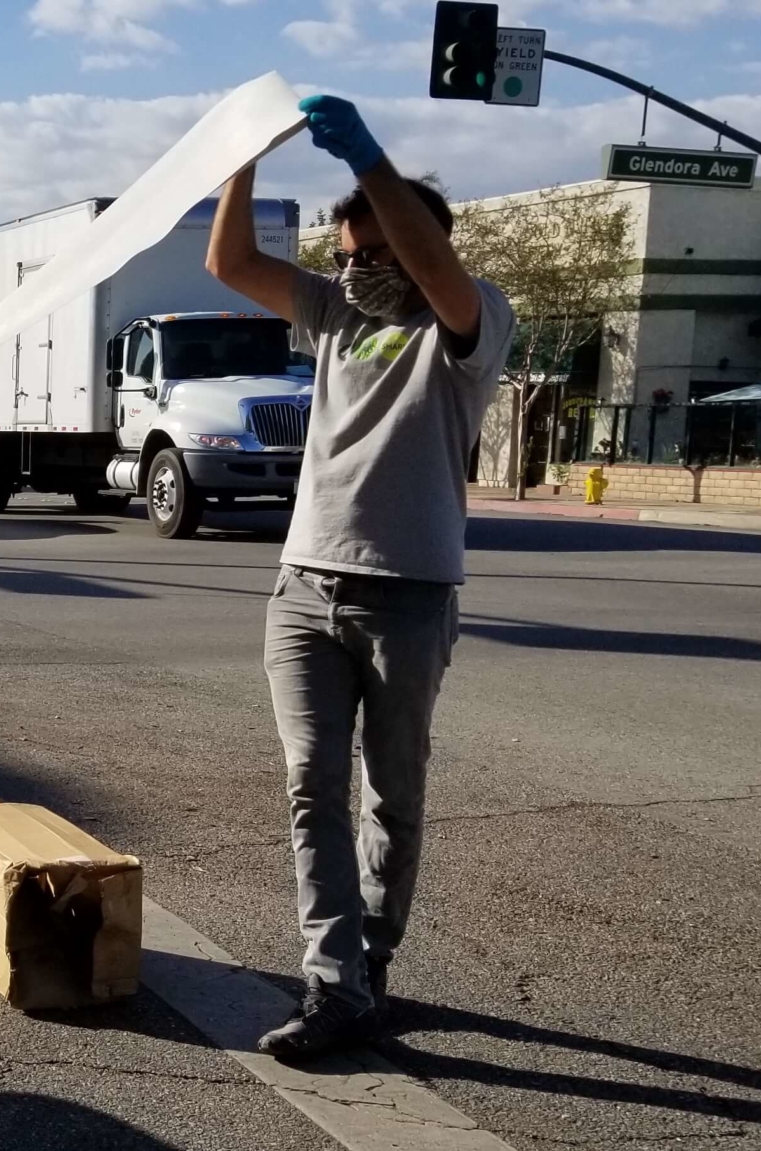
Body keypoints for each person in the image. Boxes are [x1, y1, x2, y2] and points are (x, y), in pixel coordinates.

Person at [204, 95, 514, 1060]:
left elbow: (434, 272)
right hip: (303, 587)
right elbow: (233, 265)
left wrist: (371, 158)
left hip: (406, 592)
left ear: (416, 250)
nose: (349, 269)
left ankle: (372, 958)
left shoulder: (472, 321)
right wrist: (240, 162)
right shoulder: (335, 313)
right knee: (310, 783)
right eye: (342, 252)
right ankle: (333, 982)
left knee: (394, 796)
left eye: (367, 252)